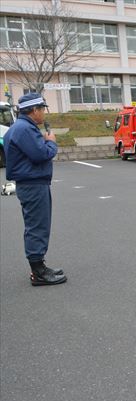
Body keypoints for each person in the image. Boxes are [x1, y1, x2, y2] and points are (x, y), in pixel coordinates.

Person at [4, 93, 67, 286]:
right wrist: (51, 141)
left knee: (36, 225)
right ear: (34, 110)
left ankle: (39, 266)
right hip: (33, 184)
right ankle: (38, 271)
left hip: (30, 183)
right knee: (37, 226)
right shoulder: (25, 129)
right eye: (42, 109)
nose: (43, 113)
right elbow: (41, 154)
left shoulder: (19, 128)